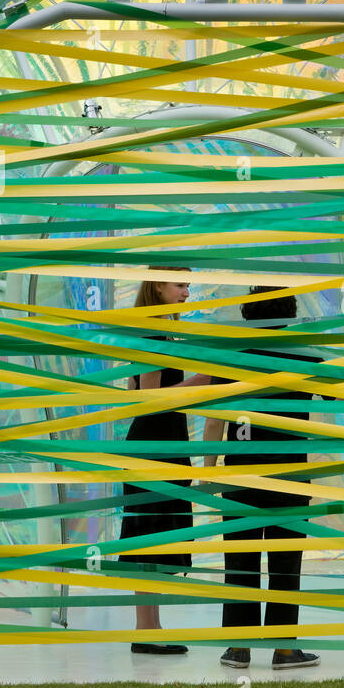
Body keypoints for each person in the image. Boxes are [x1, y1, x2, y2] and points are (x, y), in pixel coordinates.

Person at [204, 286, 326, 670]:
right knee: (286, 564)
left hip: (239, 478)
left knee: (240, 562)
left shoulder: (232, 358)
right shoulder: (303, 355)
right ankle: (284, 650)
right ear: (289, 312)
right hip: (289, 479)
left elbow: (214, 420)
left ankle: (238, 649)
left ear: (248, 315)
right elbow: (342, 387)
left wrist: (210, 472)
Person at [120, 265, 209, 654]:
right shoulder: (154, 334)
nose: (186, 292)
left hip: (158, 445)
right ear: (158, 286)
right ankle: (146, 630)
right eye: (180, 285)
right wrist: (201, 380)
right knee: (150, 538)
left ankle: (152, 628)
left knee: (153, 537)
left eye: (187, 284)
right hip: (154, 448)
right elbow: (152, 398)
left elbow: (132, 390)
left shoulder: (153, 332)